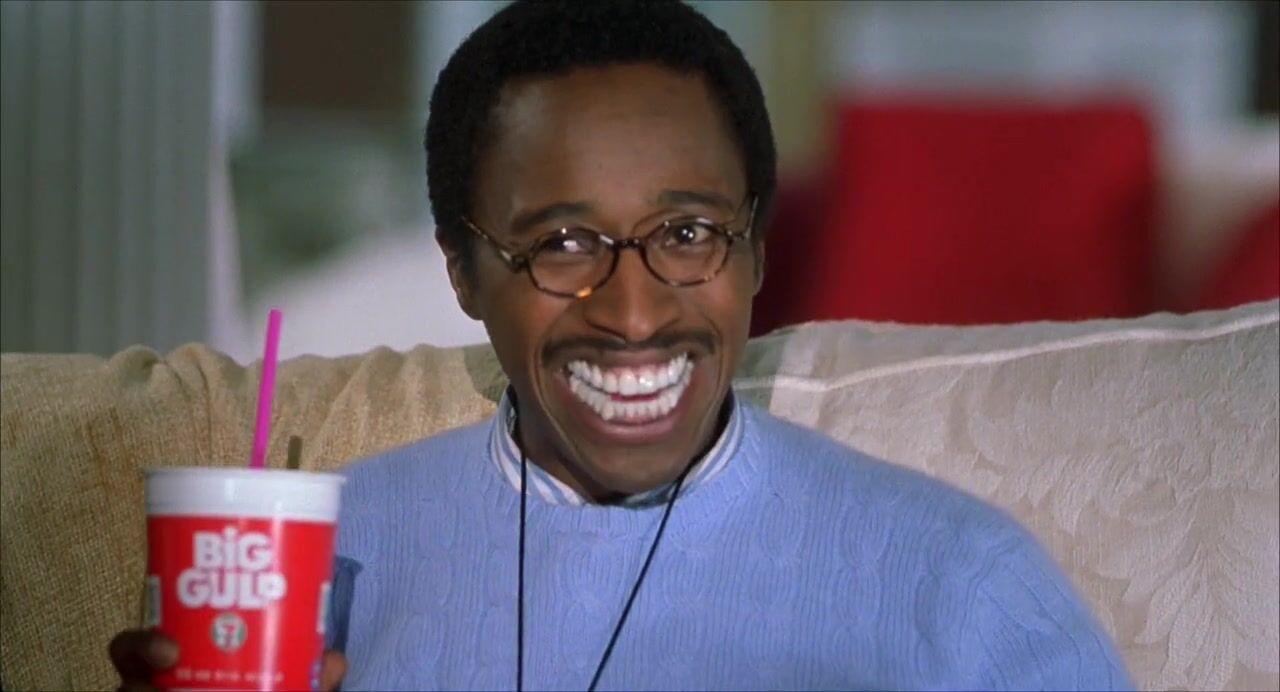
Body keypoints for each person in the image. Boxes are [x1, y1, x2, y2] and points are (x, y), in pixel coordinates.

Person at [111, 1, 1133, 690]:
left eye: (687, 233)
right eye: (562, 244)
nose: (635, 314)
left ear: (756, 252)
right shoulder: (317, 566)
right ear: (463, 272)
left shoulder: (956, 584)